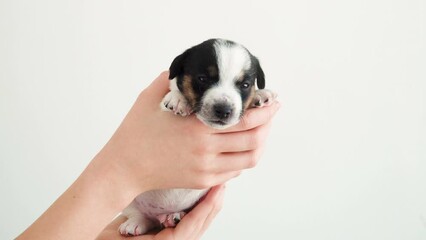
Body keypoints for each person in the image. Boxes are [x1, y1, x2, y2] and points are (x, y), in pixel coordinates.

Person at [16, 71, 280, 240]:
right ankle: (143, 216)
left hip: (181, 207)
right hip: (141, 204)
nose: (224, 99)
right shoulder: (175, 91)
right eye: (205, 79)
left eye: (243, 85)